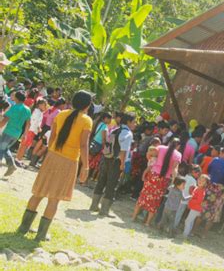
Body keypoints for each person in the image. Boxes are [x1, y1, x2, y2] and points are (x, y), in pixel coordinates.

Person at [17, 91, 92, 241]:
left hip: (52, 156)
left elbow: (52, 137)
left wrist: (51, 152)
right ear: (87, 105)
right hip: (69, 161)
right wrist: (86, 167)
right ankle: (41, 235)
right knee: (54, 198)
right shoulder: (86, 120)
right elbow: (83, 145)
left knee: (38, 192)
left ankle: (23, 227)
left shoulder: (61, 114)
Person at [90, 112, 135, 217]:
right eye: (134, 122)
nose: (135, 124)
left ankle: (94, 205)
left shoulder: (114, 129)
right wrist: (122, 165)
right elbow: (123, 151)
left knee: (101, 181)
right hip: (117, 161)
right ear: (128, 122)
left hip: (107, 158)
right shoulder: (127, 134)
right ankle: (105, 210)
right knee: (112, 184)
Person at [131, 138, 182, 225]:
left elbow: (149, 153)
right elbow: (175, 169)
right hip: (164, 180)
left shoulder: (160, 147)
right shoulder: (178, 154)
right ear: (178, 146)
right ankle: (147, 223)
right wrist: (174, 181)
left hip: (153, 175)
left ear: (169, 143)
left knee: (143, 196)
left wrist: (150, 160)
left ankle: (134, 217)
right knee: (155, 201)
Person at [199, 146, 224, 237]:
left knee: (202, 207)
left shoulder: (215, 160)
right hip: (221, 191)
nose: (219, 154)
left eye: (221, 153)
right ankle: (204, 234)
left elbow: (209, 170)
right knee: (214, 212)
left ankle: (193, 230)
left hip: (210, 186)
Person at [1, 91, 32, 176]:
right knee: (5, 148)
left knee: (1, 149)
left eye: (14, 96)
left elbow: (4, 120)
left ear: (17, 98)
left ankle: (11, 165)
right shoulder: (28, 109)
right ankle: (11, 165)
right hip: (17, 134)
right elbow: (28, 123)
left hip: (8, 132)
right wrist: (24, 134)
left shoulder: (14, 107)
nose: (13, 97)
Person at [183, 174, 210, 239]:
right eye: (200, 179)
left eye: (203, 181)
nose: (200, 181)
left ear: (206, 184)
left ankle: (184, 235)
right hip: (194, 208)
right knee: (190, 221)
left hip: (196, 209)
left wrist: (190, 200)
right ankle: (187, 234)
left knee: (188, 221)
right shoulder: (197, 188)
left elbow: (199, 201)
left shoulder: (201, 191)